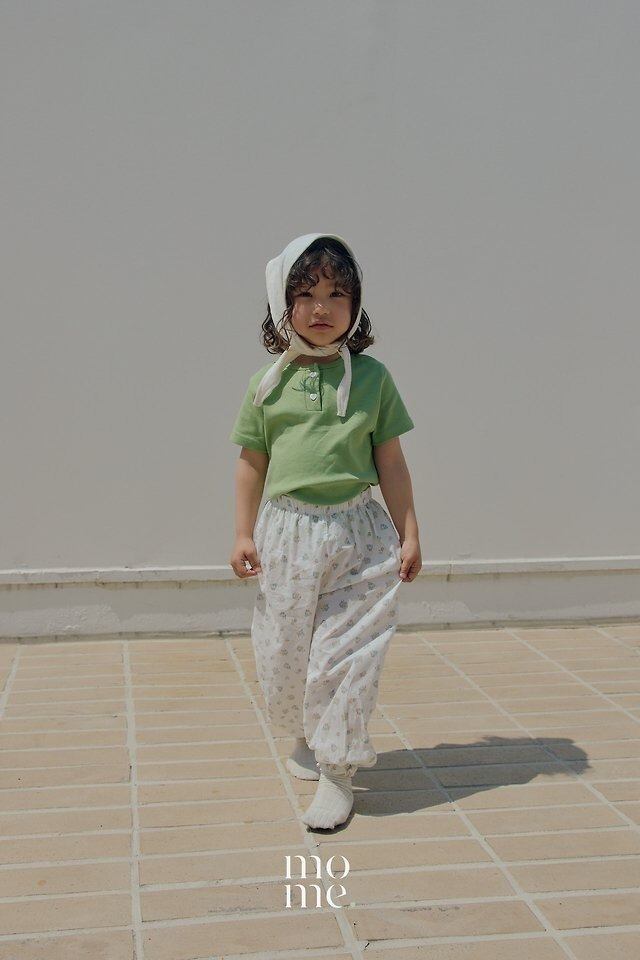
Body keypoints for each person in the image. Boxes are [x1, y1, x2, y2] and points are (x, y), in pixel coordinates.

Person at [229, 233, 422, 830]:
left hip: (359, 534)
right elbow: (251, 462)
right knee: (284, 653)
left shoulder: (373, 379)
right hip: (287, 534)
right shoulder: (267, 384)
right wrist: (242, 533)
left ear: (356, 305)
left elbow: (392, 462)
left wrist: (409, 532)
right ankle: (306, 736)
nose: (322, 308)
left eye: (338, 294)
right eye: (307, 294)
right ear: (281, 304)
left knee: (348, 655)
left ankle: (339, 773)